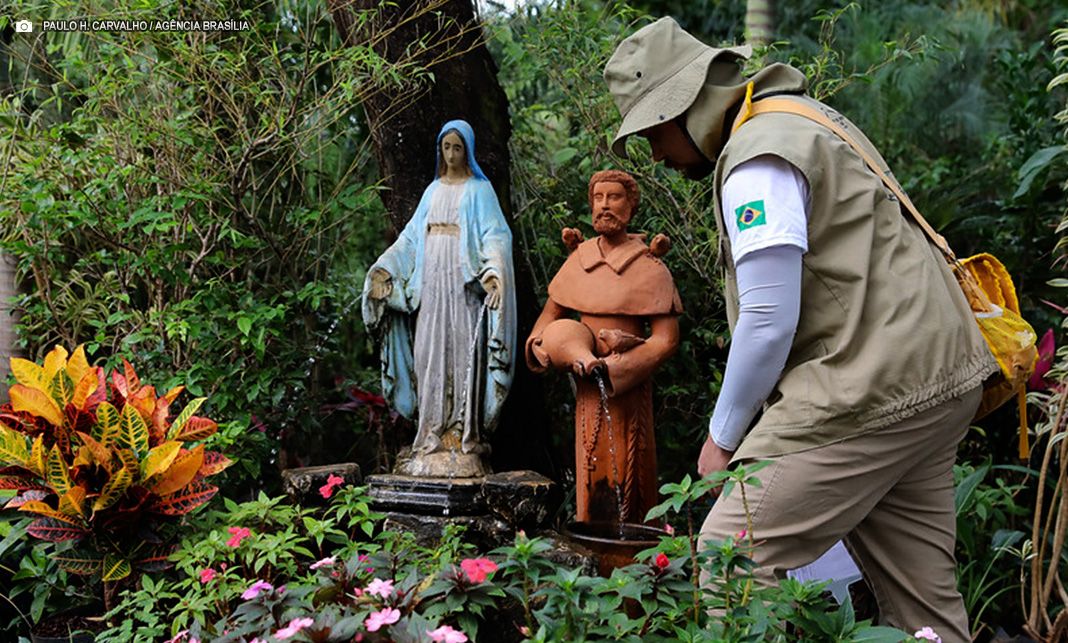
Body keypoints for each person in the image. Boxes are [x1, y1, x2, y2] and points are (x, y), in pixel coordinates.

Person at [603, 17, 997, 641]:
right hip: (941, 375)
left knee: (732, 552)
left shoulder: (758, 158)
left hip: (869, 383)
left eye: (652, 133)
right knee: (925, 606)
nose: (654, 155)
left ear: (683, 110)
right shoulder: (808, 118)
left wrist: (722, 437)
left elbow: (767, 319)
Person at [362, 119, 517, 478]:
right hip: (431, 282)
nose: (450, 154)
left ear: (468, 150)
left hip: (463, 286)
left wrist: (493, 273)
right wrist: (384, 269)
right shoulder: (431, 192)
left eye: (457, 147)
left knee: (463, 351)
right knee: (429, 353)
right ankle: (430, 432)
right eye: (446, 147)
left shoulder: (480, 191)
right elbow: (410, 239)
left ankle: (463, 434)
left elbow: (496, 236)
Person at [526, 169, 682, 524]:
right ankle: (592, 540)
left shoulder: (649, 266)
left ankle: (633, 554)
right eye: (599, 198)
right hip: (586, 387)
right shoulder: (578, 260)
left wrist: (617, 368)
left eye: (614, 198)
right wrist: (539, 344)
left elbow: (666, 339)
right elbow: (550, 317)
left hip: (627, 387)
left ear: (631, 205)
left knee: (633, 473)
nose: (605, 206)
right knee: (589, 466)